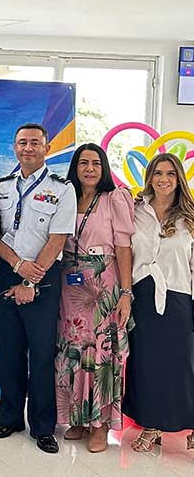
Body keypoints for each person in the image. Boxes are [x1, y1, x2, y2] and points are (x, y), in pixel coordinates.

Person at [0, 123, 76, 454]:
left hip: (44, 276)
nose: (28, 148)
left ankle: (43, 426)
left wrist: (30, 279)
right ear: (14, 147)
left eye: (34, 143)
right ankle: (9, 417)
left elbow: (58, 237)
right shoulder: (1, 187)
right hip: (8, 271)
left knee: (40, 355)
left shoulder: (62, 188)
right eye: (22, 142)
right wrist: (18, 268)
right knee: (9, 352)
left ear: (46, 148)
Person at [55, 143, 134, 453]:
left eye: (96, 164)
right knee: (72, 349)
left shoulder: (114, 199)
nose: (89, 169)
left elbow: (125, 247)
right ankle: (77, 418)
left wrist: (125, 293)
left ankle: (99, 425)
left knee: (100, 353)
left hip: (104, 283)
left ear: (103, 169)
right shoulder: (66, 196)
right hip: (69, 281)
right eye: (83, 163)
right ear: (75, 168)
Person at [123, 153, 194, 452]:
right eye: (158, 173)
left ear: (179, 179)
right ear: (149, 177)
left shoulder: (189, 217)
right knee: (146, 364)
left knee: (183, 365)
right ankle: (151, 425)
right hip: (142, 296)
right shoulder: (135, 210)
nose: (164, 179)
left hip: (179, 297)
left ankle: (191, 426)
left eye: (170, 174)